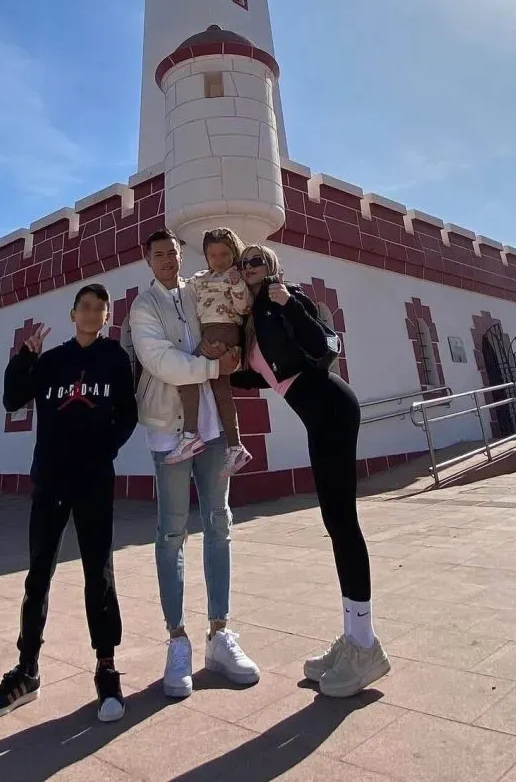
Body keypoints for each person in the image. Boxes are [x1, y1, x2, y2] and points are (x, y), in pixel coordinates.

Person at [231, 244, 390, 698]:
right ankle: (353, 637)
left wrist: (290, 305)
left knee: (343, 522)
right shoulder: (255, 316)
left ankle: (365, 647)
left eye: (256, 261)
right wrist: (220, 374)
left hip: (333, 407)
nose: (249, 268)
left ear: (273, 267)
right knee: (334, 523)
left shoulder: (287, 297)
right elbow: (271, 374)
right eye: (244, 264)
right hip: (316, 413)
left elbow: (324, 348)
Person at [0, 283, 138, 724]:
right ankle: (27, 669)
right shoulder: (50, 361)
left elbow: (127, 414)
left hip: (93, 480)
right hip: (50, 479)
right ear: (74, 314)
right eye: (85, 307)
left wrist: (104, 449)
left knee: (98, 573)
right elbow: (13, 400)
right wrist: (24, 359)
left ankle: (106, 668)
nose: (91, 314)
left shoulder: (114, 359)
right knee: (39, 574)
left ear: (107, 318)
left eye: (99, 309)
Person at [129, 228, 260, 699]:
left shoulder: (199, 289)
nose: (168, 260)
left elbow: (233, 313)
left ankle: (220, 632)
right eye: (159, 255)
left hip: (211, 425)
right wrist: (212, 367)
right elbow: (160, 361)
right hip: (169, 430)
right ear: (148, 261)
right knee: (171, 532)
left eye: (172, 253)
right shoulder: (144, 307)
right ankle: (177, 639)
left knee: (219, 523)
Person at [170, 227, 253, 477]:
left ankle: (190, 435)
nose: (218, 260)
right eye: (213, 254)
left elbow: (244, 306)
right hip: (209, 332)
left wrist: (237, 283)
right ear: (206, 255)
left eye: (224, 254)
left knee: (187, 376)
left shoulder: (233, 277)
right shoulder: (201, 277)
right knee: (221, 391)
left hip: (224, 331)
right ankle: (235, 445)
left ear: (233, 253)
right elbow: (183, 289)